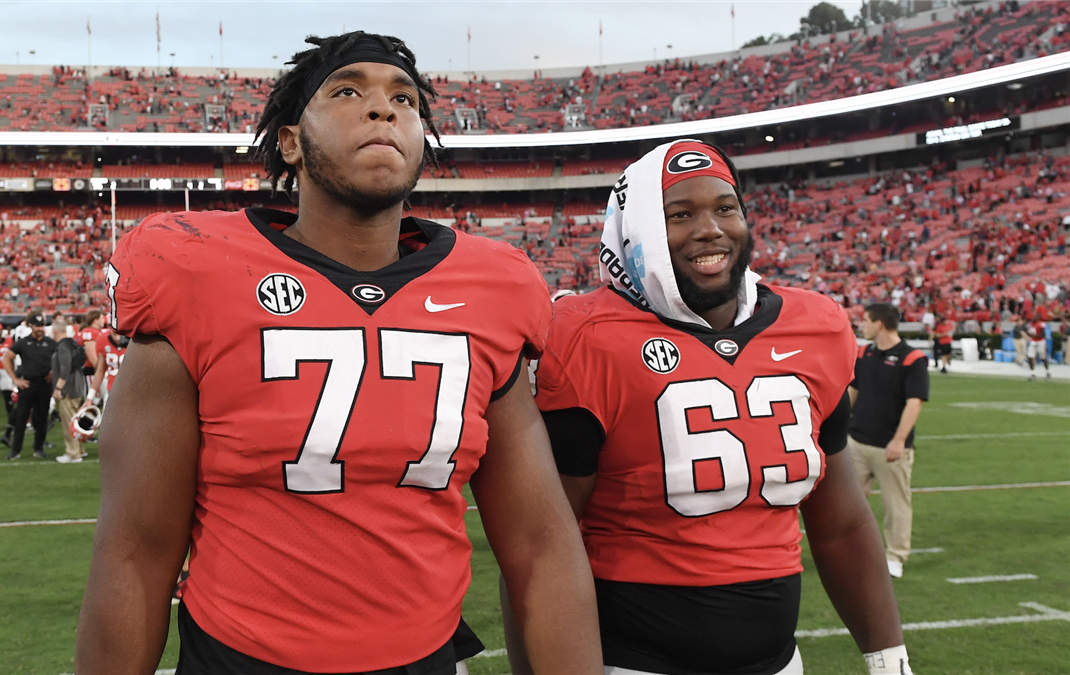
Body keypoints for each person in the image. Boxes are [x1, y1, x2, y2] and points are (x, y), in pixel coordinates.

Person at [76, 31, 601, 675]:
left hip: (426, 659)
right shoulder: (197, 274)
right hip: (240, 659)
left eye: (404, 99)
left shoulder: (492, 289)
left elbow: (540, 544)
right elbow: (135, 552)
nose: (383, 108)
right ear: (291, 141)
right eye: (348, 90)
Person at [528, 140, 911, 675]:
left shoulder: (815, 326)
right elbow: (539, 549)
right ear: (637, 234)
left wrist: (889, 660)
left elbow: (841, 522)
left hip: (779, 663)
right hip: (633, 661)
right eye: (680, 214)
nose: (710, 228)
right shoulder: (587, 337)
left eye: (725, 208)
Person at [849, 303, 930, 579]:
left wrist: (899, 440)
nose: (862, 325)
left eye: (865, 320)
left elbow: (915, 402)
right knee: (848, 503)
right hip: (856, 442)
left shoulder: (912, 358)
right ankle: (851, 552)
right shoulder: (864, 353)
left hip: (890, 447)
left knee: (896, 505)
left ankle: (895, 556)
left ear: (879, 323)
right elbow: (853, 390)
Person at [2, 311, 57, 460]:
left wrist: (54, 370)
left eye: (42, 325)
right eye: (37, 325)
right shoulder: (23, 343)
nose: (40, 328)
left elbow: (60, 359)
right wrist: (15, 379)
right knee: (21, 417)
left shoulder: (51, 343)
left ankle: (38, 447)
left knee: (42, 417)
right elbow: (7, 359)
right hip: (27, 384)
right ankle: (15, 449)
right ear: (31, 326)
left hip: (44, 385)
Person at [50, 319, 88, 463]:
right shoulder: (73, 343)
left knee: (69, 422)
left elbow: (65, 367)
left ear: (55, 331)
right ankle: (80, 449)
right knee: (76, 420)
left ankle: (73, 454)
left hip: (69, 388)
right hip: (77, 384)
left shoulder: (63, 346)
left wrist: (59, 388)